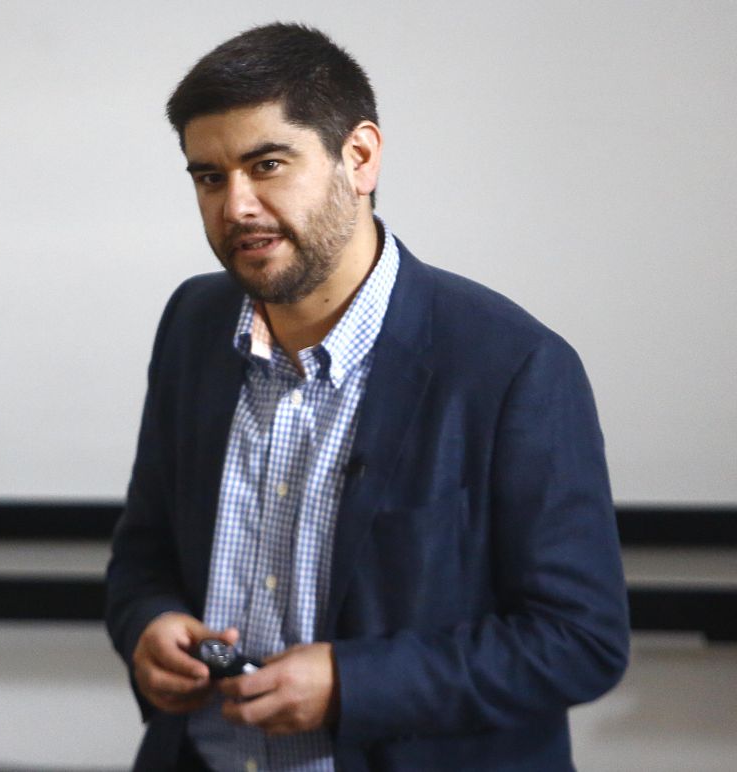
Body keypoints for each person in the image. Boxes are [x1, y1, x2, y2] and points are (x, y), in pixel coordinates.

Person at [105, 22, 629, 772]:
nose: (237, 206)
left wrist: (355, 685)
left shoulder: (512, 365)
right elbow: (144, 552)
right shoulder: (193, 323)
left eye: (267, 165)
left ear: (359, 157)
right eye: (210, 177)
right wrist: (148, 624)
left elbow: (580, 641)